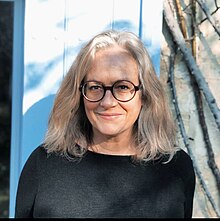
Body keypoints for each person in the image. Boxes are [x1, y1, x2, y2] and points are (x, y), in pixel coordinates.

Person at [15, 30, 195, 218]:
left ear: (145, 95)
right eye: (95, 87)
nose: (107, 102)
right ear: (79, 94)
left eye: (123, 87)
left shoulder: (176, 168)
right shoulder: (44, 164)